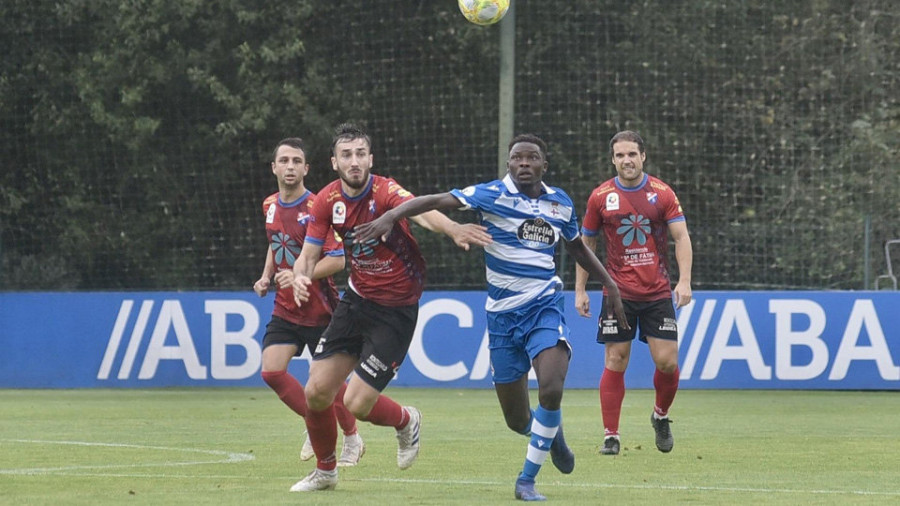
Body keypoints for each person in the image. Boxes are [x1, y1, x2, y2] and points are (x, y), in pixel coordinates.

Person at [354, 133, 630, 502]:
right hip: (502, 317)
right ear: (509, 164)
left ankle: (527, 480)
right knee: (517, 420)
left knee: (550, 386)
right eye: (517, 158)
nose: (524, 164)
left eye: (532, 158)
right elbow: (437, 200)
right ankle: (553, 437)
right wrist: (390, 216)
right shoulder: (490, 194)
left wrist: (610, 285)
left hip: (544, 305)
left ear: (543, 165)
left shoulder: (559, 202)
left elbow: (576, 246)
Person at [289, 123, 492, 492]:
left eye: (360, 154)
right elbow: (308, 254)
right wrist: (301, 276)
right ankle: (326, 471)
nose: (354, 161)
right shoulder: (326, 200)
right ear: (334, 162)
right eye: (346, 155)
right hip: (356, 301)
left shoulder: (385, 191)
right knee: (316, 391)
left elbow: (423, 213)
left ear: (370, 158)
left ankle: (405, 421)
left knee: (357, 404)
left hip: (396, 309)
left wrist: (452, 229)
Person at [574, 130, 693, 457]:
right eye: (620, 155)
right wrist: (580, 289)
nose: (627, 160)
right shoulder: (600, 196)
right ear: (613, 159)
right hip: (616, 293)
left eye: (632, 154)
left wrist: (684, 281)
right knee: (616, 359)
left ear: (643, 157)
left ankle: (660, 415)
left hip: (657, 290)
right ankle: (611, 435)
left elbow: (681, 237)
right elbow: (587, 245)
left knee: (667, 362)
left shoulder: (662, 193)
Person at [253, 137, 365, 469]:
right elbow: (276, 243)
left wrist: (300, 275)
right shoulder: (269, 204)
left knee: (326, 384)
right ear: (274, 167)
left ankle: (352, 437)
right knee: (272, 371)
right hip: (286, 307)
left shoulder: (318, 207)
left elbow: (337, 260)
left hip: (321, 309)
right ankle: (315, 422)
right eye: (284, 160)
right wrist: (266, 276)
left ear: (306, 168)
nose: (290, 166)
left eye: (296, 161)